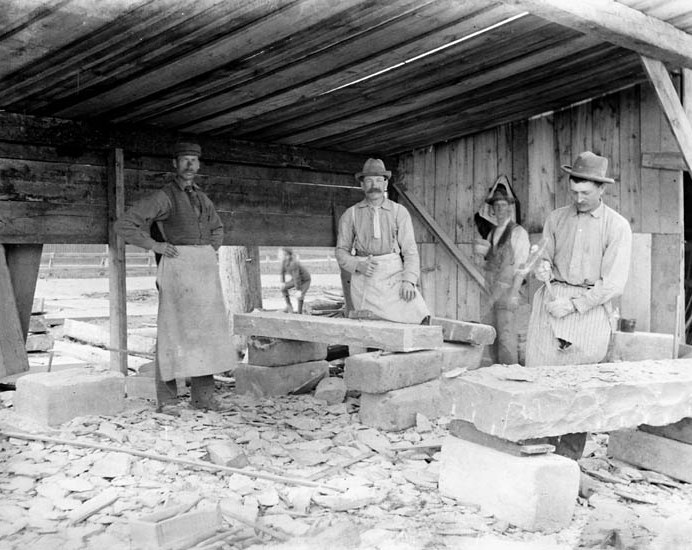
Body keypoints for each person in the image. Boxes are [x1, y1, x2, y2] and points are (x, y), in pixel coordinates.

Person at [526, 151, 632, 459]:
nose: (579, 198)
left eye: (586, 193)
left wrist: (573, 304)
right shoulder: (556, 218)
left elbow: (613, 284)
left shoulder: (617, 227)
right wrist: (541, 268)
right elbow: (542, 257)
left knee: (578, 388)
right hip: (551, 302)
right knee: (540, 381)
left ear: (601, 189)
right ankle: (539, 451)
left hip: (587, 311)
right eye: (574, 192)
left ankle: (567, 459)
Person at [114, 142, 235, 412]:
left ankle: (203, 398)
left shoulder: (203, 198)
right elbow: (124, 224)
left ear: (199, 165)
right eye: (184, 160)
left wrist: (207, 250)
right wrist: (155, 246)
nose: (190, 165)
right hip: (177, 269)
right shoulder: (164, 196)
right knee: (172, 332)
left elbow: (218, 227)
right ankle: (167, 400)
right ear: (174, 164)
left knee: (205, 332)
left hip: (203, 271)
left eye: (194, 160)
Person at [336, 158, 429, 324]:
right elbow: (341, 251)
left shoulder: (399, 212)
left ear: (386, 184)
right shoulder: (350, 214)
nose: (374, 185)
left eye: (379, 180)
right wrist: (358, 265)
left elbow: (410, 251)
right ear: (362, 185)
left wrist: (409, 281)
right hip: (365, 276)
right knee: (368, 328)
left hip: (394, 275)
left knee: (419, 316)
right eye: (369, 181)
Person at [476, 185, 530, 365]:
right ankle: (496, 374)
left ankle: (510, 375)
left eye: (503, 206)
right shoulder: (492, 233)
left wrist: (514, 294)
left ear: (509, 208)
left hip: (509, 291)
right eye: (496, 206)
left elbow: (522, 266)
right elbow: (492, 263)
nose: (499, 210)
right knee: (492, 334)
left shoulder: (518, 233)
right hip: (492, 291)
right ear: (492, 209)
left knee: (506, 337)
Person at [279, 247, 311, 314]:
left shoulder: (294, 263)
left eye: (281, 254)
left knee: (300, 296)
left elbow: (297, 278)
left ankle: (299, 313)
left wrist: (298, 290)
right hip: (295, 279)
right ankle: (289, 306)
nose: (279, 256)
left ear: (287, 256)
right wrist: (282, 282)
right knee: (283, 288)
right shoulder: (284, 262)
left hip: (305, 280)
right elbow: (282, 272)